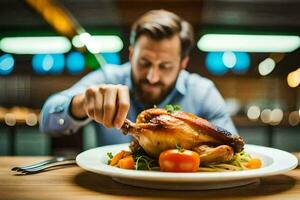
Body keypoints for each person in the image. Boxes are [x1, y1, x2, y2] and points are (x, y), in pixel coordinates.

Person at [40, 10, 237, 146]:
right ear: (131, 54)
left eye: (165, 66)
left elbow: (232, 145)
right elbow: (47, 121)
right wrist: (80, 105)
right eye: (144, 63)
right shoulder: (108, 77)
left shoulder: (202, 92)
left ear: (182, 64)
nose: (152, 77)